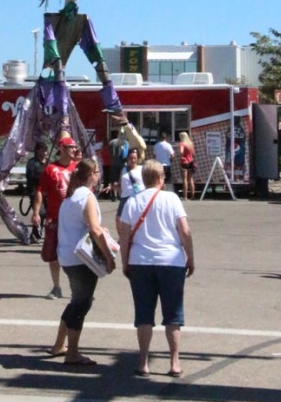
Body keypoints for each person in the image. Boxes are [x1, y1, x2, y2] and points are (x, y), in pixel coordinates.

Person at [119, 159, 194, 377]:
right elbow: (185, 231)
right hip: (171, 262)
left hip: (140, 262)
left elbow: (124, 237)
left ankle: (143, 361)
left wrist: (125, 262)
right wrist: (190, 257)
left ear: (143, 179)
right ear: (161, 179)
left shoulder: (132, 202)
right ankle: (174, 362)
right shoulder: (172, 199)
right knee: (173, 314)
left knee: (143, 313)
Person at [49, 158, 115, 365]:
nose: (99, 175)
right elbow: (94, 230)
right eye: (97, 171)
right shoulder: (87, 197)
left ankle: (59, 344)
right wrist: (109, 257)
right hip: (81, 259)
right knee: (82, 304)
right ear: (91, 175)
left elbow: (84, 226)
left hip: (67, 256)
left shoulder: (70, 197)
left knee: (76, 301)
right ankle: (72, 353)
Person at [31, 134, 78, 298]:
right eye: (71, 147)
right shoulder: (50, 170)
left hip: (74, 220)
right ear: (62, 149)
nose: (74, 149)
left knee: (76, 255)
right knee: (52, 254)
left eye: (74, 147)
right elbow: (40, 192)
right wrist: (36, 213)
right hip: (54, 219)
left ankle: (77, 288)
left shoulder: (78, 169)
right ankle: (56, 287)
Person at [115, 147, 145, 236]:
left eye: (135, 158)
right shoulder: (124, 170)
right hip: (125, 197)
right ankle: (122, 238)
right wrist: (115, 185)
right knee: (118, 219)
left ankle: (137, 237)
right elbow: (120, 183)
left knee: (137, 219)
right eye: (131, 158)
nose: (133, 160)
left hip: (137, 196)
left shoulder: (142, 169)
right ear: (127, 158)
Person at [26, 141, 48, 240]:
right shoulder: (32, 163)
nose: (45, 152)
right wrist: (42, 176)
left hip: (47, 192)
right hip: (35, 191)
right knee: (41, 212)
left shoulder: (49, 163)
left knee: (49, 212)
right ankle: (36, 230)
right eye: (43, 150)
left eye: (46, 150)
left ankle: (40, 230)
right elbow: (31, 177)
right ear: (38, 151)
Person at [178, 131, 195, 201]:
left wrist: (181, 156)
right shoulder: (191, 144)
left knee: (184, 180)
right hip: (191, 162)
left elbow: (181, 152)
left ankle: (185, 196)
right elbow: (193, 153)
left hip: (184, 162)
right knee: (190, 179)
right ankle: (193, 195)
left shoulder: (182, 143)